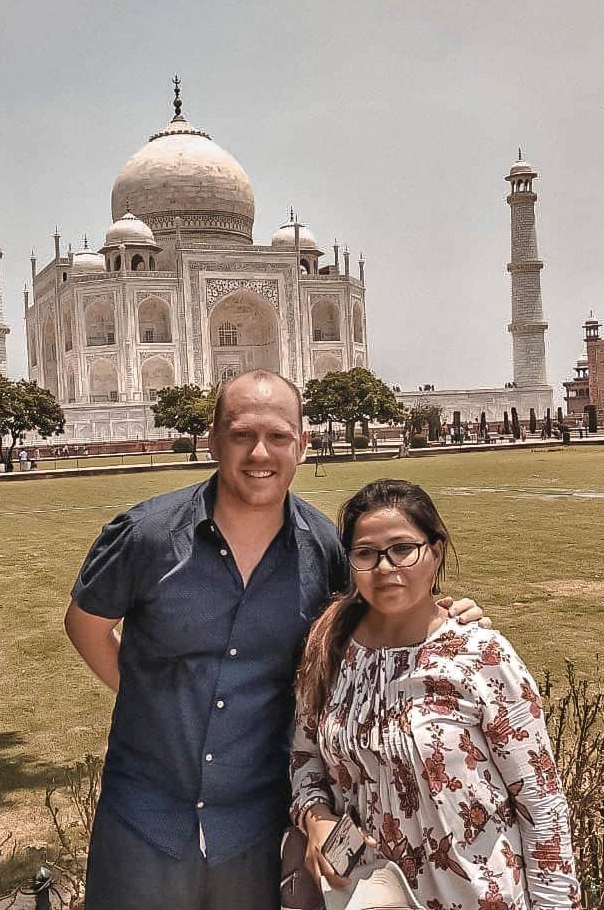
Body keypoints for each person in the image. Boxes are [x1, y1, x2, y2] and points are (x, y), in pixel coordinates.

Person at [64, 370, 487, 910]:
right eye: (241, 435)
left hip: (255, 823)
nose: (260, 452)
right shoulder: (148, 535)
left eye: (279, 437)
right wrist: (148, 695)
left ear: (302, 445)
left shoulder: (324, 550)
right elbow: (86, 625)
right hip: (146, 816)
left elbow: (377, 621)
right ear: (213, 439)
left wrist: (446, 616)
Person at [292, 479, 579, 908]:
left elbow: (542, 807)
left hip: (478, 895)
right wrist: (315, 819)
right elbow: (304, 759)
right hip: (367, 896)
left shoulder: (479, 656)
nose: (386, 567)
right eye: (366, 554)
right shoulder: (331, 650)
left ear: (436, 553)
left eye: (403, 549)